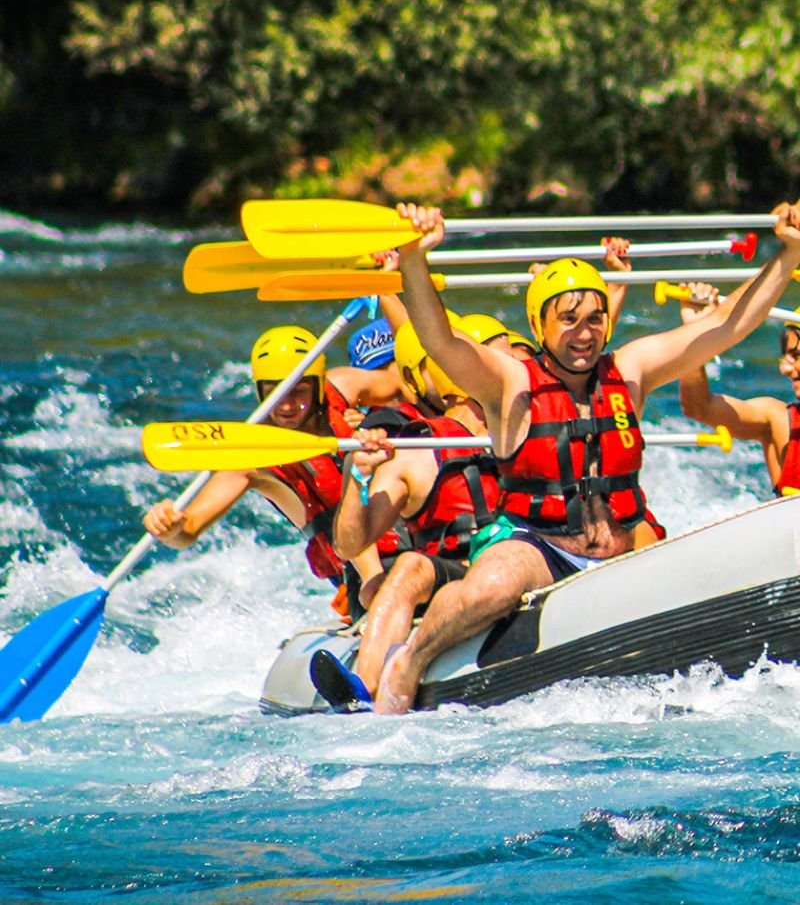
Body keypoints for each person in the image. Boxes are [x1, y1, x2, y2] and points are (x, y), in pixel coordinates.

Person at [372, 199, 800, 714]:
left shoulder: (631, 370)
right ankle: (410, 660)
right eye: (569, 319)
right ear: (540, 326)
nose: (585, 332)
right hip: (541, 547)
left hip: (622, 544)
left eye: (595, 318)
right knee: (492, 587)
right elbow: (439, 340)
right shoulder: (509, 381)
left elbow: (727, 325)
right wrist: (414, 259)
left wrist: (789, 253)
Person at [143, 325, 410, 618]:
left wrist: (375, 422)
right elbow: (189, 530)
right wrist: (172, 527)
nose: (286, 405)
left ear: (319, 385)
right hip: (360, 572)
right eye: (274, 392)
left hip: (406, 527)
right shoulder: (253, 458)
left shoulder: (342, 386)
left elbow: (406, 386)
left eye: (299, 391)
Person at [312, 320, 499, 707]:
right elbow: (349, 545)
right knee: (411, 567)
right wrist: (358, 476)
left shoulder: (527, 421)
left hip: (522, 556)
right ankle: (365, 689)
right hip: (454, 566)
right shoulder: (407, 442)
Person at [678, 286, 800, 494]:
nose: (784, 369)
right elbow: (699, 407)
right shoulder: (778, 421)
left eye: (796, 356)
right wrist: (694, 331)